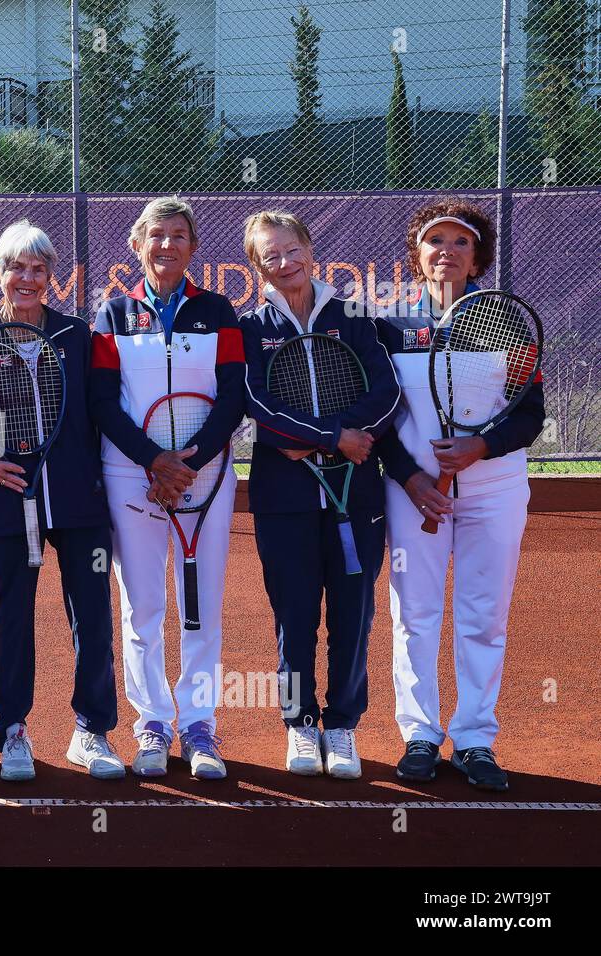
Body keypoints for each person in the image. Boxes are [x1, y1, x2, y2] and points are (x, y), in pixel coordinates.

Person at [374, 201, 544, 791]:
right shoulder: (389, 325)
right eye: (434, 240)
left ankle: (474, 738)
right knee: (414, 612)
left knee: (483, 616)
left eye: (460, 242)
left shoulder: (508, 322)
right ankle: (419, 734)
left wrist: (481, 448)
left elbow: (530, 417)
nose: (446, 250)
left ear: (479, 257)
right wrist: (411, 477)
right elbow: (380, 420)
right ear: (416, 254)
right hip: (413, 493)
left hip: (495, 489)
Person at [0, 220, 122, 782]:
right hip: (6, 502)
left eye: (38, 268)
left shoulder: (79, 338)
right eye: (16, 267)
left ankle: (91, 730)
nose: (27, 277)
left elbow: (105, 412)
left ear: (52, 276)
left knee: (92, 615)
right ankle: (14, 731)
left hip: (78, 501)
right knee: (12, 616)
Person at [238, 211, 400, 780]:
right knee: (294, 612)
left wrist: (348, 440)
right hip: (283, 496)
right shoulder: (249, 327)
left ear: (310, 247)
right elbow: (257, 407)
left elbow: (387, 392)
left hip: (357, 490)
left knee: (354, 611)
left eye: (292, 249)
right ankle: (300, 725)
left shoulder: (353, 316)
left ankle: (342, 725)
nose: (285, 264)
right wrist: (332, 437)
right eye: (270, 257)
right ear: (257, 267)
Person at [90, 197, 246, 779]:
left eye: (179, 235)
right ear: (137, 245)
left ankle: (200, 724)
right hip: (133, 474)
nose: (167, 245)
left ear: (193, 247)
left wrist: (190, 461)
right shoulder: (112, 315)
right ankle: (152, 721)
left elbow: (232, 397)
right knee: (143, 605)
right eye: (156, 235)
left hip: (205, 474)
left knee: (200, 604)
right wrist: (154, 461)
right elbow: (103, 402)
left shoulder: (219, 312)